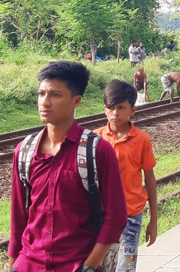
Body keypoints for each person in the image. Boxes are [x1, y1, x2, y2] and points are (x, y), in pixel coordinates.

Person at [9, 61, 127, 272]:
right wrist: (13, 264)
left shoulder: (96, 151)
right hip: (29, 264)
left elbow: (116, 216)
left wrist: (90, 265)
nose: (44, 102)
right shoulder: (24, 151)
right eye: (41, 94)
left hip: (75, 264)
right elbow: (19, 216)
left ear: (76, 101)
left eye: (55, 95)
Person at [95, 80, 158, 272]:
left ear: (132, 110)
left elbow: (150, 179)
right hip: (100, 216)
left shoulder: (141, 140)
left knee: (125, 267)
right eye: (110, 108)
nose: (115, 113)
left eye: (121, 107)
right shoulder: (95, 139)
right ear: (104, 109)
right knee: (100, 266)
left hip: (131, 215)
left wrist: (153, 220)